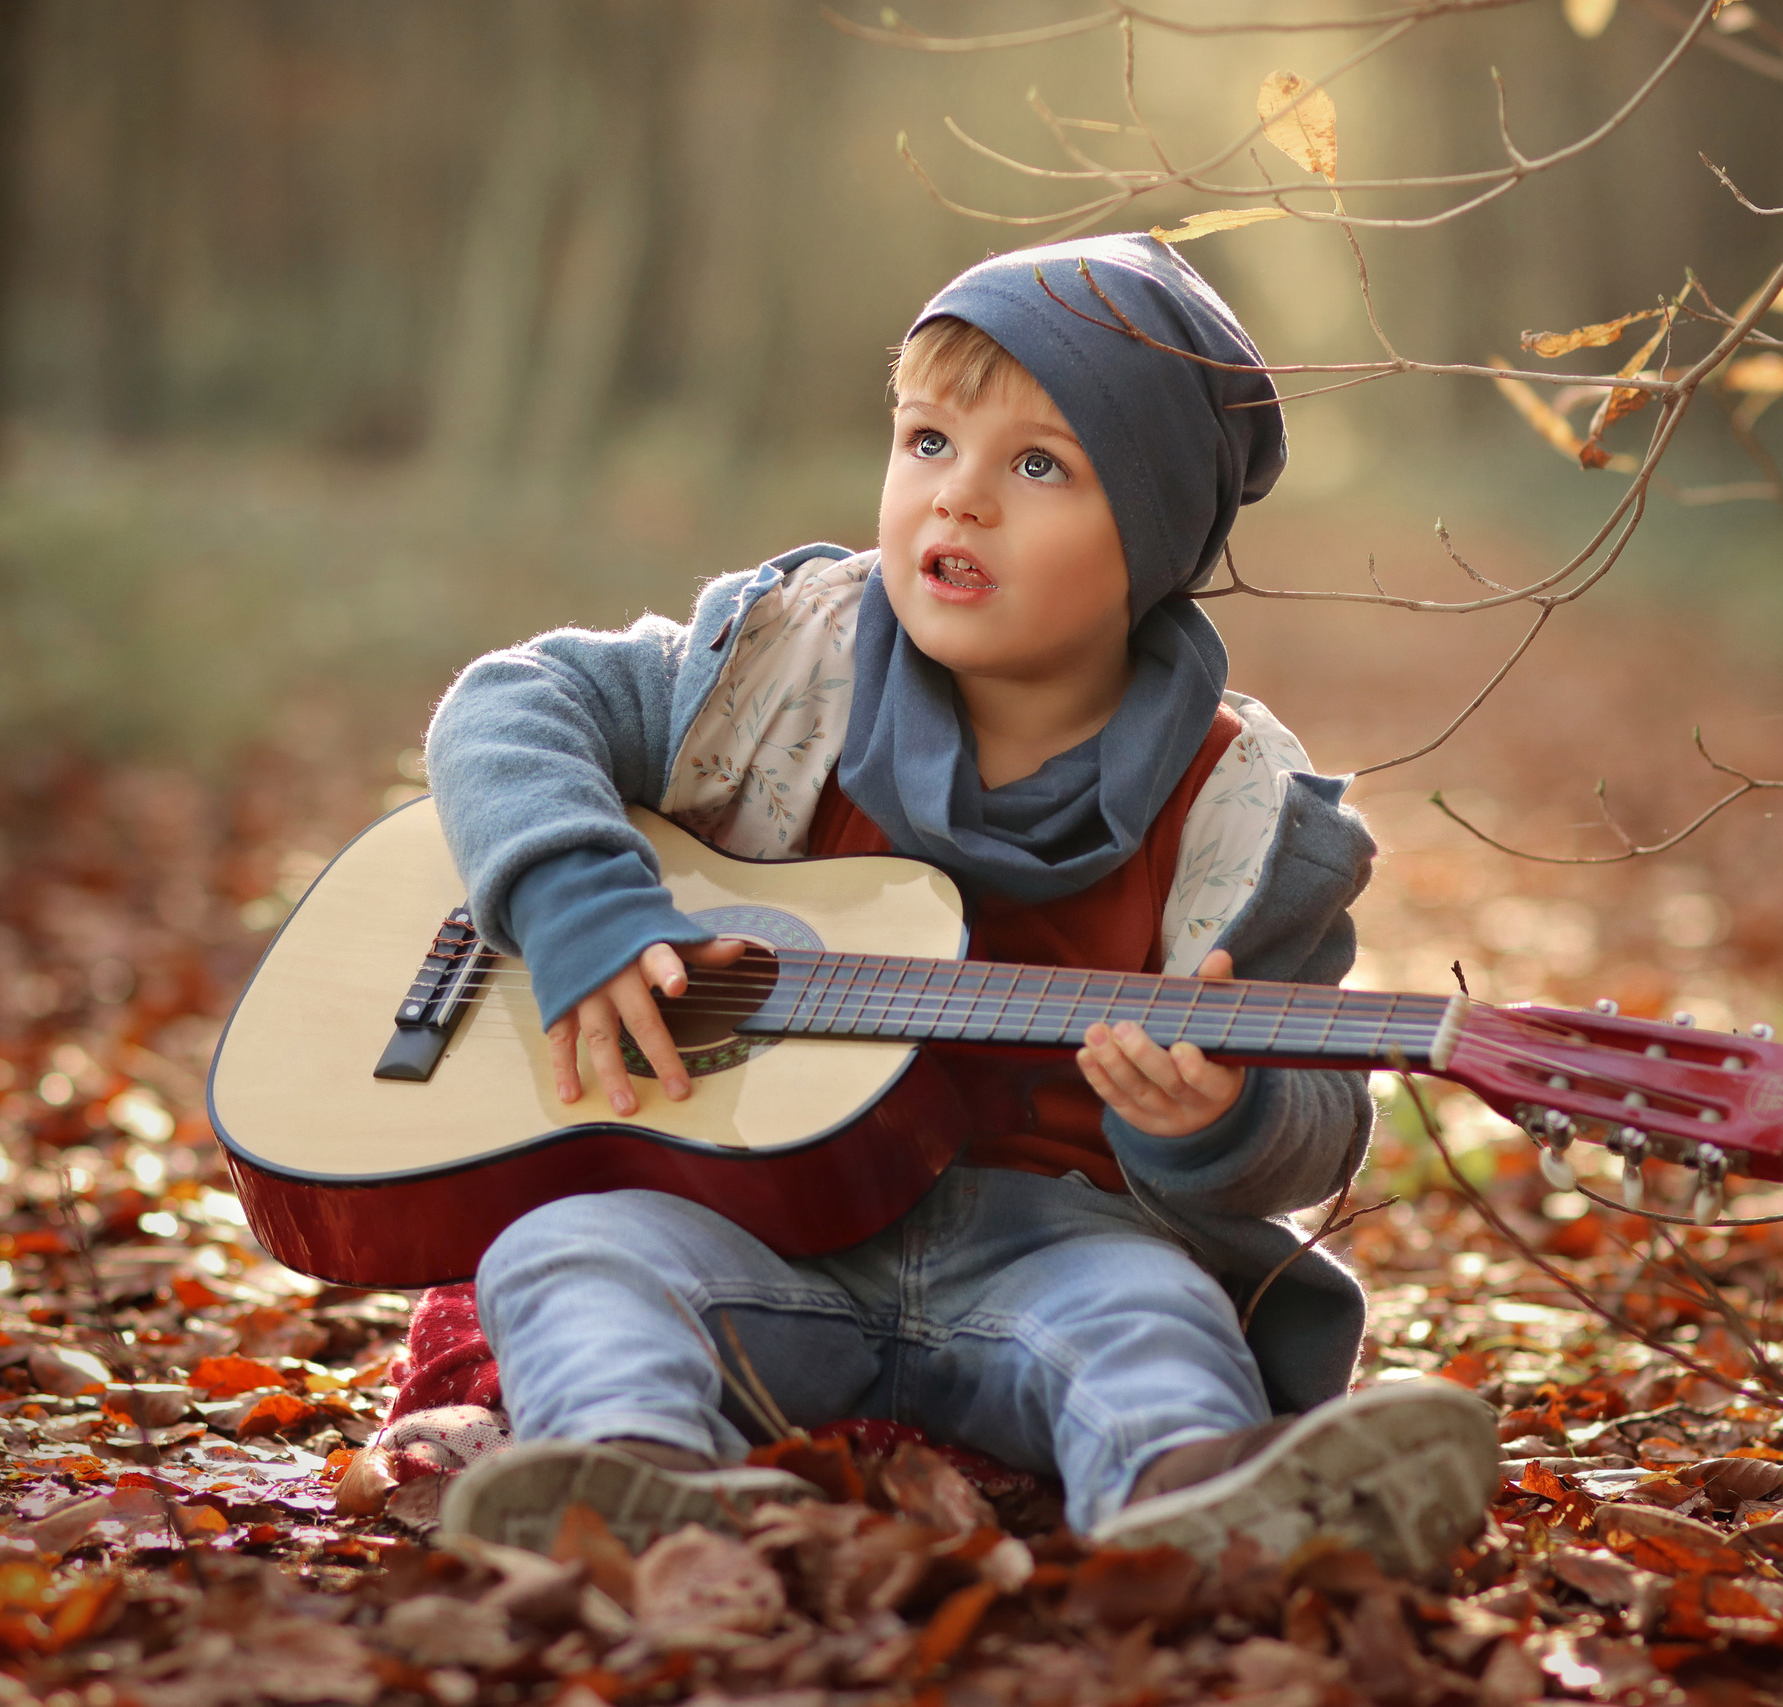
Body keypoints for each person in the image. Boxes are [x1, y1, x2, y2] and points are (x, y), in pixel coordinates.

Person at [419, 234, 1498, 1572]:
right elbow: (509, 704)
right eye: (928, 441)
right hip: (751, 1228)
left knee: (1160, 1319)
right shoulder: (784, 661)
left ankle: (1204, 1503)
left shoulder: (1244, 811)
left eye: (1039, 466)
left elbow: (1321, 1120)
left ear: (1154, 531)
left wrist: (1226, 1118)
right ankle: (631, 1486)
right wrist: (581, 904)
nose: (959, 502)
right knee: (568, 1250)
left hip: (1055, 1256)